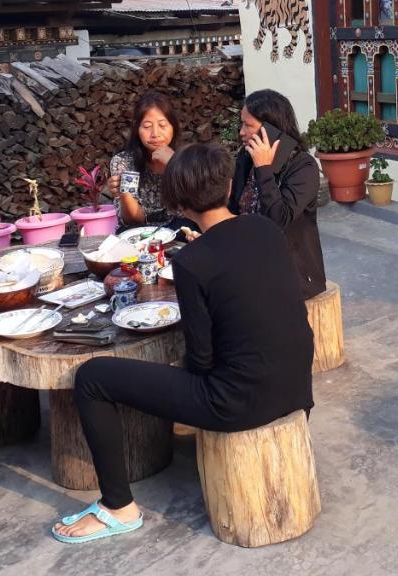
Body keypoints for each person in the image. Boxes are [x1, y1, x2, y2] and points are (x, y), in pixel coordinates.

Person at [51, 143, 314, 544]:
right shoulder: (266, 229)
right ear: (228, 187)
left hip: (236, 403)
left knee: (92, 376)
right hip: (297, 388)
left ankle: (117, 506)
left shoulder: (193, 262)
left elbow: (202, 359)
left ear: (176, 203)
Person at [229, 89, 327, 299]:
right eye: (242, 124)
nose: (241, 132)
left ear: (270, 130)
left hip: (292, 275)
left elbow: (279, 219)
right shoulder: (246, 158)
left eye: (248, 125)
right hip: (250, 261)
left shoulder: (303, 167)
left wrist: (264, 169)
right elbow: (233, 209)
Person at [105, 92, 184, 227]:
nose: (155, 134)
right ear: (137, 129)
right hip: (140, 231)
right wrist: (124, 193)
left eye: (162, 125)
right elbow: (133, 221)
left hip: (181, 229)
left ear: (174, 127)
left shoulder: (186, 159)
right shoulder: (123, 161)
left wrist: (174, 164)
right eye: (147, 126)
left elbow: (198, 208)